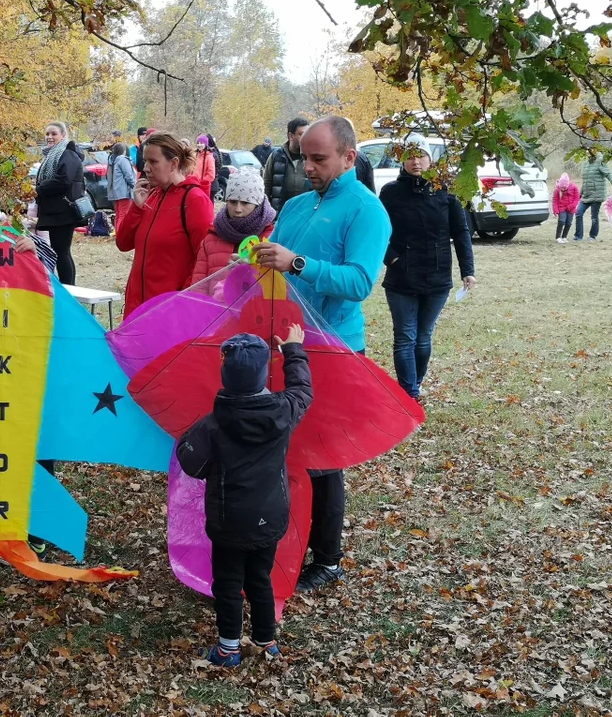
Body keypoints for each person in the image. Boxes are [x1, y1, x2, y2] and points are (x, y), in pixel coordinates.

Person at [252, 115, 391, 592]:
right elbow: (274, 256)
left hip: (333, 349)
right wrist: (257, 258)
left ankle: (327, 557)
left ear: (349, 158)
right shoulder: (294, 205)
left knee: (323, 458)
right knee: (283, 449)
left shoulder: (367, 210)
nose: (308, 166)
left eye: (319, 158)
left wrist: (298, 263)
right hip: (284, 342)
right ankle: (284, 538)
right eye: (304, 157)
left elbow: (358, 282)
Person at [176, 327, 313, 666]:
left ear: (225, 377)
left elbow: (191, 460)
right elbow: (302, 389)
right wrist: (293, 350)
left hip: (229, 522)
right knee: (260, 578)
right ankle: (267, 642)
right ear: (264, 372)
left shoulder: (212, 425)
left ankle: (228, 649)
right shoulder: (284, 410)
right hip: (270, 516)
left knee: (228, 583)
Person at [379, 133, 475, 401]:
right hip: (401, 278)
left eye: (421, 155)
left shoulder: (446, 191)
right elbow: (378, 232)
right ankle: (408, 395)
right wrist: (393, 258)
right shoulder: (390, 193)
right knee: (404, 337)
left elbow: (461, 231)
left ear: (430, 159)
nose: (416, 162)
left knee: (422, 338)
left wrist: (468, 270)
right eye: (409, 156)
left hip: (437, 276)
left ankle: (415, 385)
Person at [115, 131, 215, 318]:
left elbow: (204, 262)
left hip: (169, 313)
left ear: (174, 163)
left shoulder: (194, 200)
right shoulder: (151, 196)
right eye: (145, 161)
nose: (146, 168)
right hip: (137, 309)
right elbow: (123, 243)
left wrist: (180, 301)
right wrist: (136, 208)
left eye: (153, 162)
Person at [191, 170, 276, 284]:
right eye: (233, 202)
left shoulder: (272, 238)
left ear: (258, 204)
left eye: (245, 203)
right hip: (213, 302)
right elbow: (198, 286)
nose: (238, 209)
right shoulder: (212, 238)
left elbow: (277, 287)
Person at [35, 121, 85, 285]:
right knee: (59, 251)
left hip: (64, 212)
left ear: (63, 135)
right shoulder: (53, 154)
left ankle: (69, 289)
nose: (49, 137)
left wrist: (40, 187)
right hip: (56, 211)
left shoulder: (67, 153)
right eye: (47, 134)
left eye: (54, 134)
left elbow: (63, 181)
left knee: (62, 252)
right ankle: (65, 288)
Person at [263, 117, 310, 213]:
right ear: (291, 136)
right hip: (280, 212)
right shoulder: (276, 156)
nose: (306, 137)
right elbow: (266, 184)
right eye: (301, 134)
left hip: (306, 212)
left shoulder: (312, 157)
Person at [575, 151, 612, 241]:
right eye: (586, 151)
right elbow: (585, 181)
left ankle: (592, 236)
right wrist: (580, 192)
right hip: (586, 195)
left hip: (597, 194)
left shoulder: (600, 162)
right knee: (578, 213)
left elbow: (609, 174)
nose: (587, 152)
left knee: (594, 216)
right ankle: (578, 236)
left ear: (594, 151)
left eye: (589, 150)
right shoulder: (586, 164)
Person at [106, 142, 136, 231]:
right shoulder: (122, 160)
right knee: (124, 213)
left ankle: (118, 232)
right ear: (123, 150)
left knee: (119, 213)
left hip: (114, 191)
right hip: (123, 191)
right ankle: (121, 233)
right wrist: (135, 186)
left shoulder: (111, 160)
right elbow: (129, 175)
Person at [552, 172, 580, 244]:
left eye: (564, 188)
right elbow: (555, 200)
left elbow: (577, 198)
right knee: (561, 221)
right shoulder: (557, 190)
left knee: (568, 223)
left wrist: (571, 206)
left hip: (571, 209)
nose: (563, 190)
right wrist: (555, 210)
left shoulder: (574, 187)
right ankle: (558, 237)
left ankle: (564, 237)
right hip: (561, 208)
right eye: (561, 188)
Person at [195, 135, 217, 199]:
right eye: (198, 143)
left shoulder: (209, 157)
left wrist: (200, 182)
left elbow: (211, 175)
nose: (199, 145)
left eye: (201, 143)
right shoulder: (195, 155)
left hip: (202, 186)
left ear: (206, 144)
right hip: (192, 185)